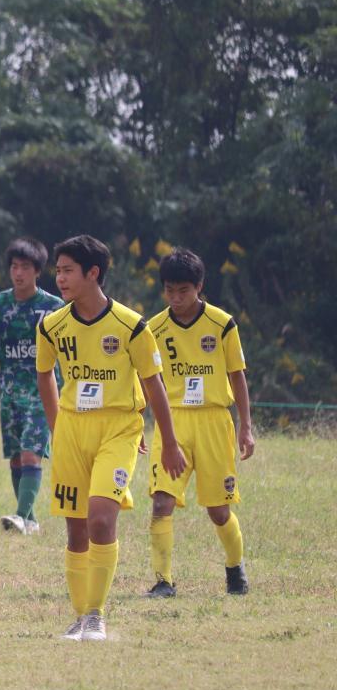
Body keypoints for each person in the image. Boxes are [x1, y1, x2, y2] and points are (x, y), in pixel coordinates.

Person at [35, 235, 186, 642]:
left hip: (119, 428)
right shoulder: (50, 326)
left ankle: (96, 616)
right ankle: (79, 617)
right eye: (58, 271)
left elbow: (154, 386)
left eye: (68, 271)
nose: (60, 278)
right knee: (76, 531)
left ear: (93, 273)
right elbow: (44, 374)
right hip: (72, 430)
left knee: (101, 519)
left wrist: (169, 443)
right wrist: (57, 427)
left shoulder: (131, 326)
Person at [144, 248, 252, 597]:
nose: (176, 298)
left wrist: (246, 427)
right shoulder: (153, 328)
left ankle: (235, 567)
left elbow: (237, 376)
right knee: (162, 502)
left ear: (199, 287)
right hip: (172, 420)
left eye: (183, 291)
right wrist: (137, 420)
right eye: (170, 291)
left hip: (213, 421)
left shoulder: (223, 324)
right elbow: (146, 379)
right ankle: (163, 581)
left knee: (219, 511)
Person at [0, 237, 63, 534]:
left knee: (32, 453)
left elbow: (69, 347)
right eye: (14, 267)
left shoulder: (53, 307)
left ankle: (20, 515)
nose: (18, 273)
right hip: (9, 393)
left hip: (42, 393)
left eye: (25, 267)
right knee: (17, 459)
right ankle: (29, 520)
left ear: (37, 271)